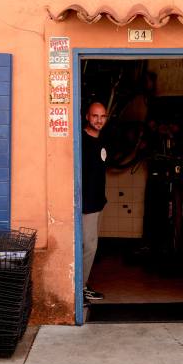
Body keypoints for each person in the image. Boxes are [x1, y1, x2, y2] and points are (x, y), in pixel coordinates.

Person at [81, 102, 109, 301]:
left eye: (102, 116)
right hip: (85, 204)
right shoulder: (81, 141)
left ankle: (82, 285)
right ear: (87, 117)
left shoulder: (101, 140)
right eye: (95, 116)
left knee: (90, 245)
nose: (98, 120)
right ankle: (79, 288)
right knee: (88, 247)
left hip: (97, 203)